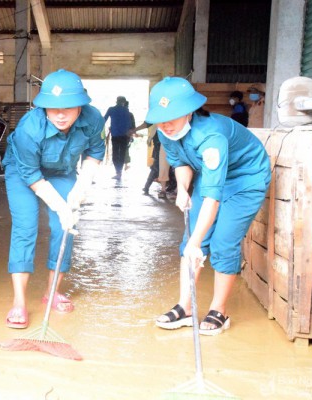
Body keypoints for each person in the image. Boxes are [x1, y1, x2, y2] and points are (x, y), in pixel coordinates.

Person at [149, 77, 270, 335]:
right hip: (211, 175)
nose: (166, 123)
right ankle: (186, 307)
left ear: (189, 111)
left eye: (172, 116)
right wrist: (182, 188)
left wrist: (196, 243)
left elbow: (213, 199)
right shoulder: (166, 131)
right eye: (161, 117)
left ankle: (219, 310)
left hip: (245, 179)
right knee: (191, 239)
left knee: (223, 242)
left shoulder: (211, 136)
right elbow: (180, 162)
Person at [2, 69, 105, 329]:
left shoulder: (93, 120)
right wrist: (60, 205)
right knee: (26, 227)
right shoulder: (29, 128)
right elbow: (32, 176)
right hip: (24, 172)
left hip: (62, 170)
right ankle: (19, 301)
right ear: (43, 106)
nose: (60, 114)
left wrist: (81, 187)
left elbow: (95, 152)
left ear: (81, 105)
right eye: (52, 107)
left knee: (65, 227)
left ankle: (52, 291)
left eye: (68, 107)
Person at [104, 96, 133, 179]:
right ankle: (119, 172)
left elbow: (104, 119)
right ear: (123, 102)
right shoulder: (126, 111)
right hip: (124, 135)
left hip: (115, 135)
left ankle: (118, 172)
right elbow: (129, 124)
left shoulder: (111, 109)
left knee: (115, 153)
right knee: (122, 154)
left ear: (116, 101)